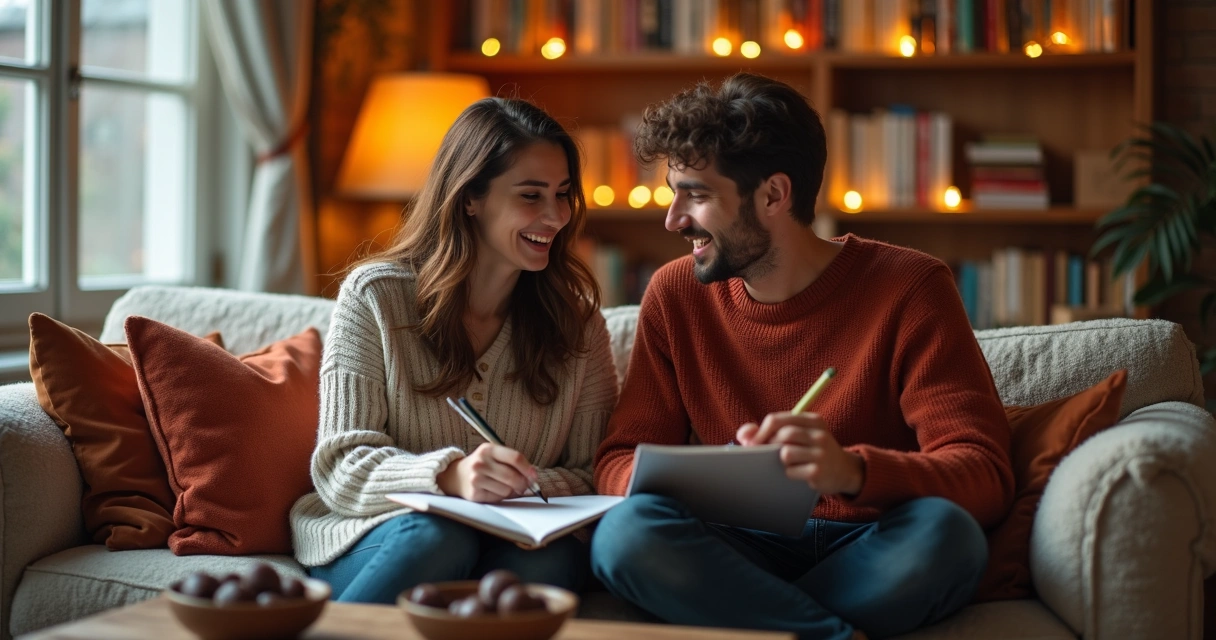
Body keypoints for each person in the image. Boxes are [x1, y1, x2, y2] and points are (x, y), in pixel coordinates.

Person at [590, 73, 1014, 640]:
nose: (673, 219)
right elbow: (617, 459)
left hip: (870, 538)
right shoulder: (675, 295)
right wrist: (705, 479)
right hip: (736, 543)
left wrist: (851, 470)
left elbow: (985, 475)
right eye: (674, 192)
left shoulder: (911, 287)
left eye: (696, 194)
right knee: (625, 536)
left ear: (772, 195)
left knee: (948, 537)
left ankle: (760, 623)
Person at [290, 97, 619, 604]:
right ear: (471, 198)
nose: (555, 216)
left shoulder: (578, 325)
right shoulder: (376, 297)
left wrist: (513, 487)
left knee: (549, 559)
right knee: (440, 537)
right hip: (377, 533)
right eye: (531, 196)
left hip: (519, 535)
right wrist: (450, 476)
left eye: (563, 194)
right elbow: (338, 464)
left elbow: (592, 471)